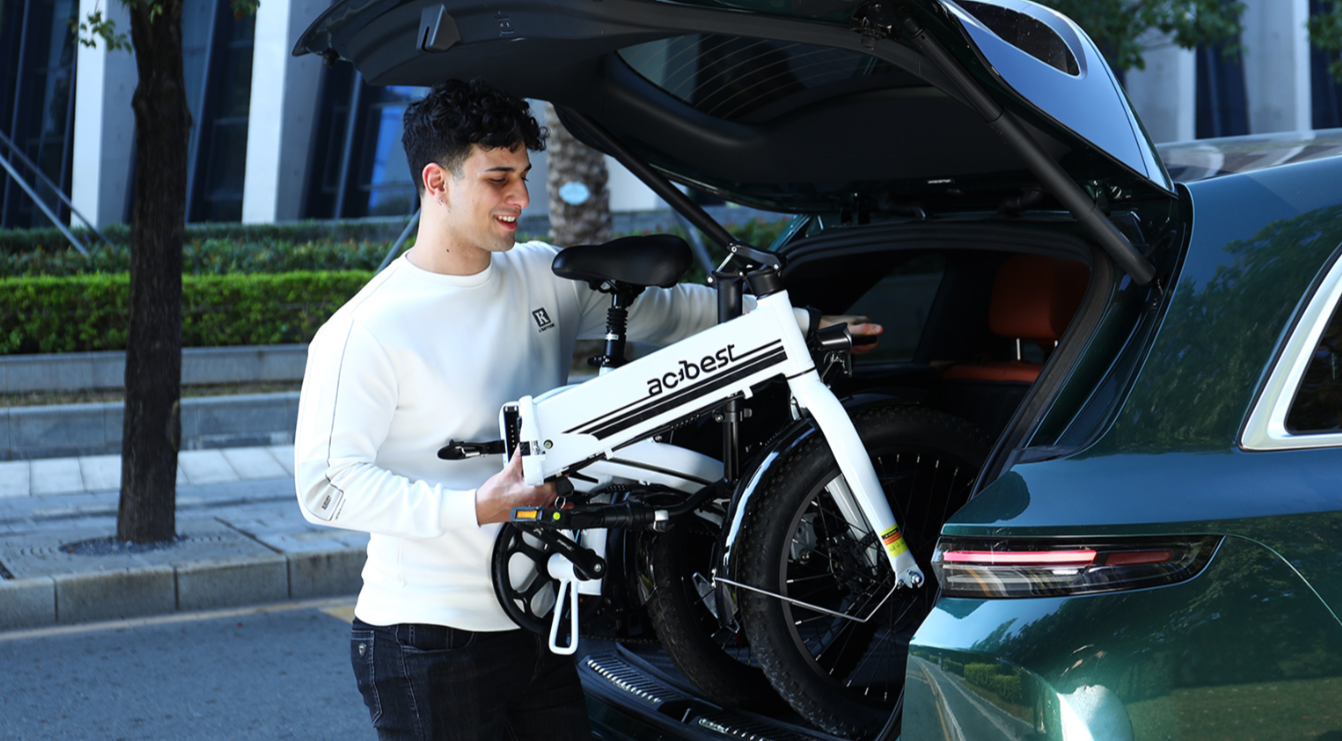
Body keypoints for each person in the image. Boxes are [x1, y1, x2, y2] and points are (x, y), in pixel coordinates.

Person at [293, 77, 881, 741]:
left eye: (524, 175)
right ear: (437, 181)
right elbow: (327, 487)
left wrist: (802, 323)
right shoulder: (368, 328)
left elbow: (678, 311)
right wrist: (475, 505)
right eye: (497, 179)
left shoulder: (541, 273)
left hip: (538, 624)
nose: (521, 198)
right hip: (427, 640)